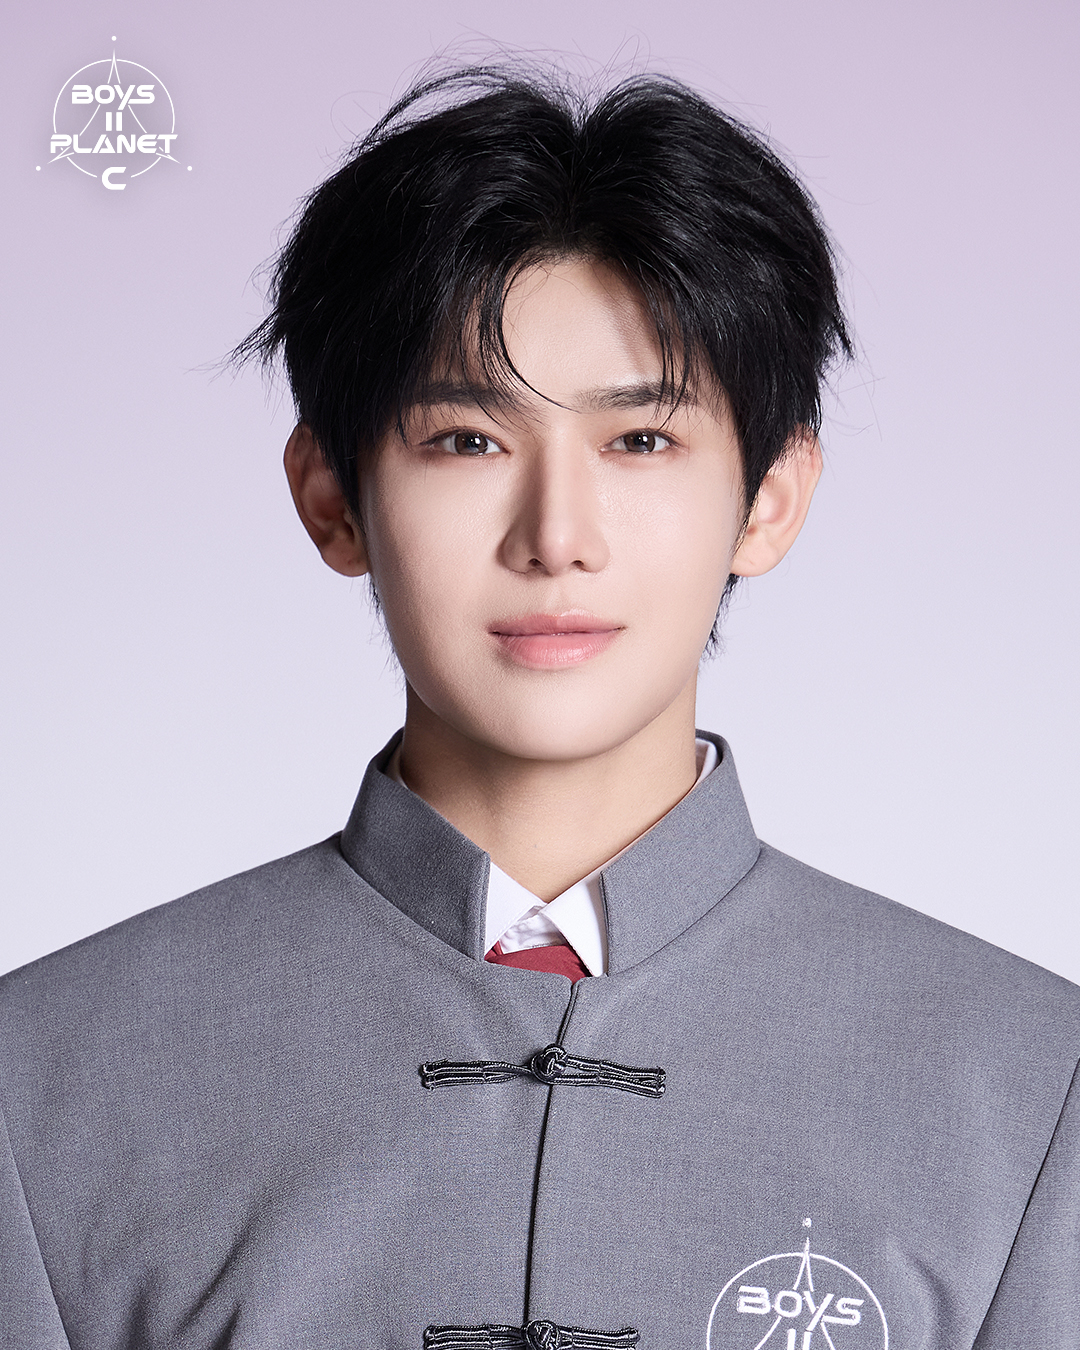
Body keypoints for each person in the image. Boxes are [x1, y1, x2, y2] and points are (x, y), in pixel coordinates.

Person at [1, 64, 1077, 1350]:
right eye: (467, 440)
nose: (557, 535)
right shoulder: (44, 1079)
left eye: (642, 441)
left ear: (770, 500)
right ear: (332, 498)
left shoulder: (1029, 1088)